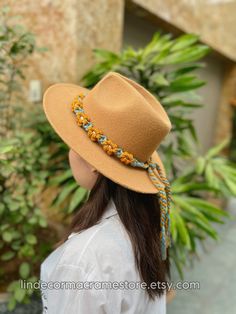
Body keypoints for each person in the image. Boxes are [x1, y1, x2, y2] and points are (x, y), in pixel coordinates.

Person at [40, 71, 172, 314]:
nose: (69, 150)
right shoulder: (144, 228)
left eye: (74, 142)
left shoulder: (86, 258)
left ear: (94, 163)